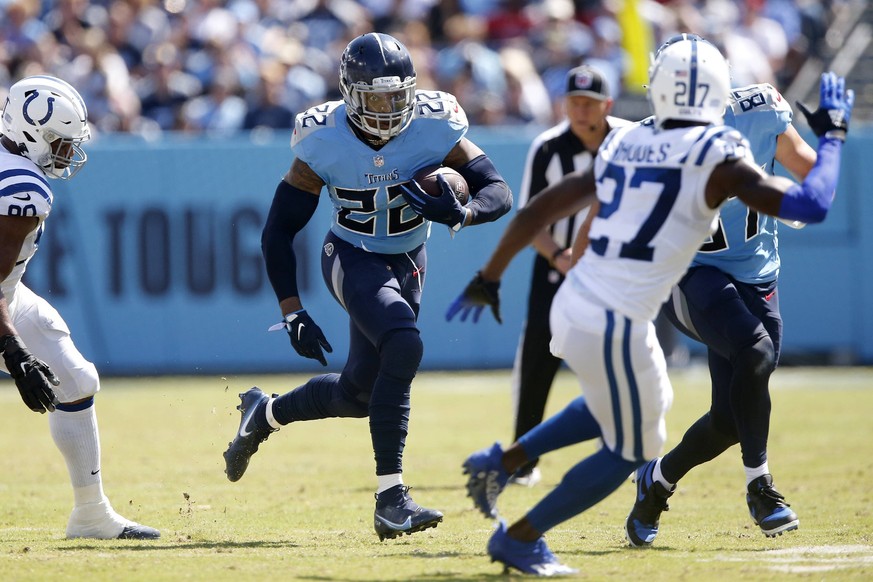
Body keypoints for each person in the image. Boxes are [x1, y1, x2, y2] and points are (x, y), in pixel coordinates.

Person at [447, 36, 852, 574]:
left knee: (630, 411)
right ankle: (521, 536)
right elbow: (813, 203)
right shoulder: (716, 153)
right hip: (617, 311)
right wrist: (835, 138)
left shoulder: (625, 144)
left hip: (591, 301)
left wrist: (488, 276)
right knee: (632, 444)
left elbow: (538, 211)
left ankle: (503, 462)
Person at [222, 32, 512, 541]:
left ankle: (263, 414)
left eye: (396, 97)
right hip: (351, 255)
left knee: (361, 394)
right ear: (350, 94)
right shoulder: (322, 137)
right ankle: (391, 499)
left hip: (409, 262)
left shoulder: (434, 123)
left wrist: (463, 212)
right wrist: (292, 310)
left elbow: (498, 190)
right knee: (404, 343)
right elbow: (279, 229)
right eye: (375, 98)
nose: (387, 108)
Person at [624, 38, 821, 548]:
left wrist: (813, 175)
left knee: (730, 418)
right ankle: (761, 488)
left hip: (757, 274)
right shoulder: (645, 141)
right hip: (689, 273)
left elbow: (808, 172)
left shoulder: (757, 112)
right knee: (754, 352)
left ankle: (657, 482)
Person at [0, 75, 160, 540]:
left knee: (74, 379)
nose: (67, 155)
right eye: (60, 143)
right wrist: (13, 350)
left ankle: (91, 515)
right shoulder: (21, 187)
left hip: (8, 295)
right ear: (33, 134)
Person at [503, 65, 631, 488]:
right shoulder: (547, 147)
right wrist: (559, 255)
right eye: (573, 101)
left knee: (619, 357)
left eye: (588, 103)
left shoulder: (630, 141)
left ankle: (626, 447)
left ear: (606, 105)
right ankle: (523, 454)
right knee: (537, 359)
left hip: (615, 271)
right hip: (556, 270)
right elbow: (530, 216)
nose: (579, 109)